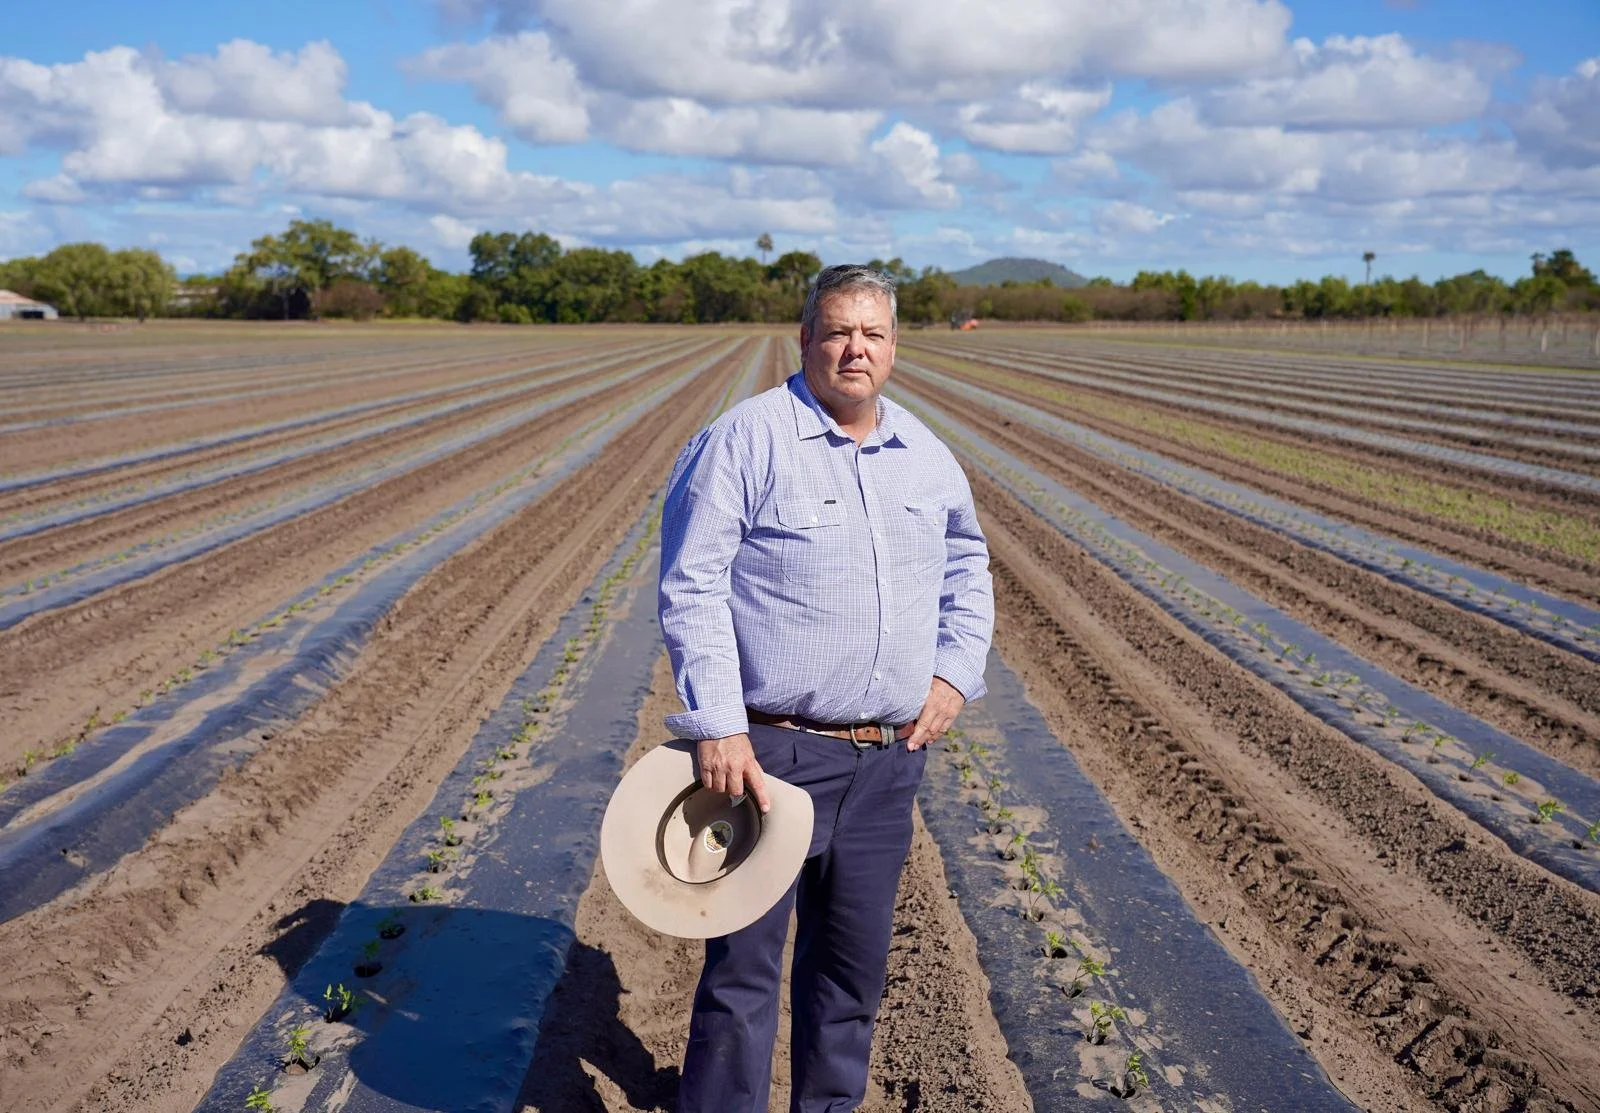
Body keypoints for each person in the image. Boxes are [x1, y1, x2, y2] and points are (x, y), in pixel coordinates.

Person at [658, 263, 994, 1112]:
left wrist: (955, 671)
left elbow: (968, 564)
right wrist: (718, 722)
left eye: (872, 333)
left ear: (894, 346)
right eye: (839, 330)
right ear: (805, 338)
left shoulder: (925, 454)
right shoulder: (747, 439)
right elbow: (692, 584)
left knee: (851, 971)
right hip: (769, 755)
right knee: (743, 975)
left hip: (886, 761)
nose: (856, 349)